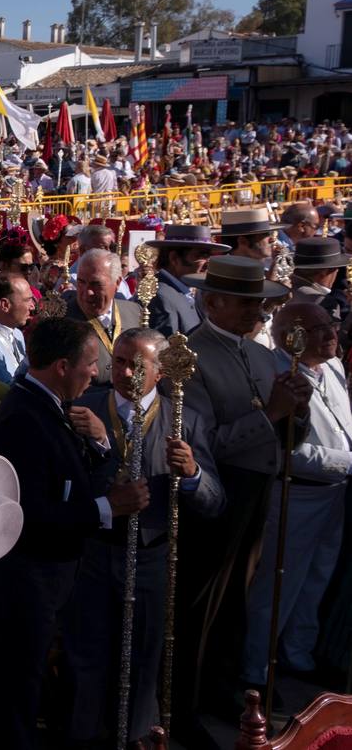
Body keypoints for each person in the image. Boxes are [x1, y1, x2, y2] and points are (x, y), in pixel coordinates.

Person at [0, 317, 149, 750]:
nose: (95, 373)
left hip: (53, 574)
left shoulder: (51, 407)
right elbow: (28, 512)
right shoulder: (25, 418)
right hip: (28, 577)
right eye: (90, 364)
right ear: (61, 365)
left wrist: (100, 445)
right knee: (18, 687)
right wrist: (107, 508)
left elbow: (65, 479)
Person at [62, 328, 224, 745]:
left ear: (161, 371)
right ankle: (82, 736)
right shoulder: (84, 406)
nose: (126, 372)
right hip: (94, 552)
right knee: (87, 654)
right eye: (118, 361)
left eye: (138, 365)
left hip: (153, 554)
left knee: (144, 657)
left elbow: (213, 502)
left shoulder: (184, 418)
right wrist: (95, 444)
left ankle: (134, 736)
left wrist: (191, 475)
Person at [173, 256, 302, 741]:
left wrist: (295, 410)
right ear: (212, 302)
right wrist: (271, 413)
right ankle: (182, 706)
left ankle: (220, 691)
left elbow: (283, 425)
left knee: (235, 605)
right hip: (215, 497)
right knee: (199, 605)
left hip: (256, 493)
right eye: (247, 304)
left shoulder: (262, 354)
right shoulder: (192, 356)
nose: (258, 314)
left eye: (260, 305)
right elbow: (208, 443)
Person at [241, 303, 352, 691]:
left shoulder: (333, 367)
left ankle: (297, 654)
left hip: (335, 494)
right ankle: (257, 670)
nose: (331, 335)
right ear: (292, 337)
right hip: (297, 494)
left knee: (316, 578)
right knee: (278, 585)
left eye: (332, 326)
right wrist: (348, 463)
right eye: (319, 329)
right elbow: (288, 450)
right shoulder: (278, 376)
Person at [61, 248, 143, 386]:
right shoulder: (61, 320)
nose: (88, 292)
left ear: (117, 283)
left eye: (96, 284)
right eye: (81, 282)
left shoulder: (135, 312)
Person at [143, 224, 228, 336]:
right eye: (201, 256)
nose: (208, 263)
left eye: (209, 256)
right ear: (174, 258)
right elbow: (166, 350)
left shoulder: (184, 292)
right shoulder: (161, 297)